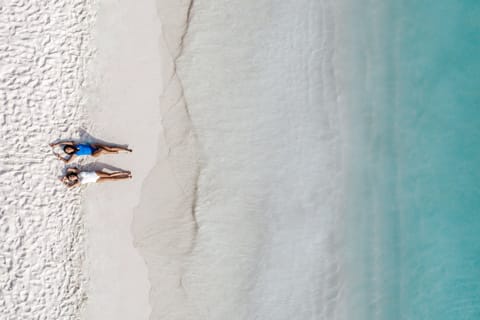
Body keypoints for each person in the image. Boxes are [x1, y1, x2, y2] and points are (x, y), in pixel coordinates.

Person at [50, 141, 132, 163]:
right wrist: (60, 157)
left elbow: (67, 142)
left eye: (68, 148)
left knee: (109, 148)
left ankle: (125, 150)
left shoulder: (75, 145)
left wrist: (57, 144)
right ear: (69, 153)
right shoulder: (75, 154)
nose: (69, 150)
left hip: (94, 146)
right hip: (94, 153)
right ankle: (124, 151)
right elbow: (67, 162)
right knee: (104, 150)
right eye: (68, 151)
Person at [61, 167, 132, 188]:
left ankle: (125, 173)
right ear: (72, 180)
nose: (72, 177)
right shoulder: (78, 182)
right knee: (112, 179)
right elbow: (69, 187)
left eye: (71, 176)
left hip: (95, 173)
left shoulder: (78, 172)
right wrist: (64, 181)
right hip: (96, 180)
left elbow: (69, 169)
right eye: (71, 178)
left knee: (110, 175)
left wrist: (66, 176)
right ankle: (127, 177)